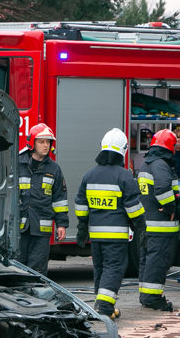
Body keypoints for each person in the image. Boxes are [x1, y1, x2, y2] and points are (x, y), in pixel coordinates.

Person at [75, 128, 145, 317]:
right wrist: (140, 227)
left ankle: (102, 305)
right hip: (116, 235)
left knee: (100, 268)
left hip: (96, 235)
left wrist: (82, 228)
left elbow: (81, 204)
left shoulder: (90, 175)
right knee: (114, 268)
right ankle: (104, 308)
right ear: (123, 150)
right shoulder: (124, 175)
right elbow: (133, 207)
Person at [137, 129, 180, 311]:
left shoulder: (148, 164)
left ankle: (145, 295)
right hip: (161, 226)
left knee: (147, 260)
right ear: (170, 147)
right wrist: (171, 207)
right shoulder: (161, 165)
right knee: (157, 261)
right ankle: (152, 298)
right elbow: (163, 189)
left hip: (147, 223)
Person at [17, 123, 68, 274]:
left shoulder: (54, 169)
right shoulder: (17, 164)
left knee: (37, 270)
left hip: (41, 230)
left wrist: (61, 224)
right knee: (17, 268)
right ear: (32, 143)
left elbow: (60, 199)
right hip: (20, 228)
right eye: (41, 141)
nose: (45, 145)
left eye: (48, 142)